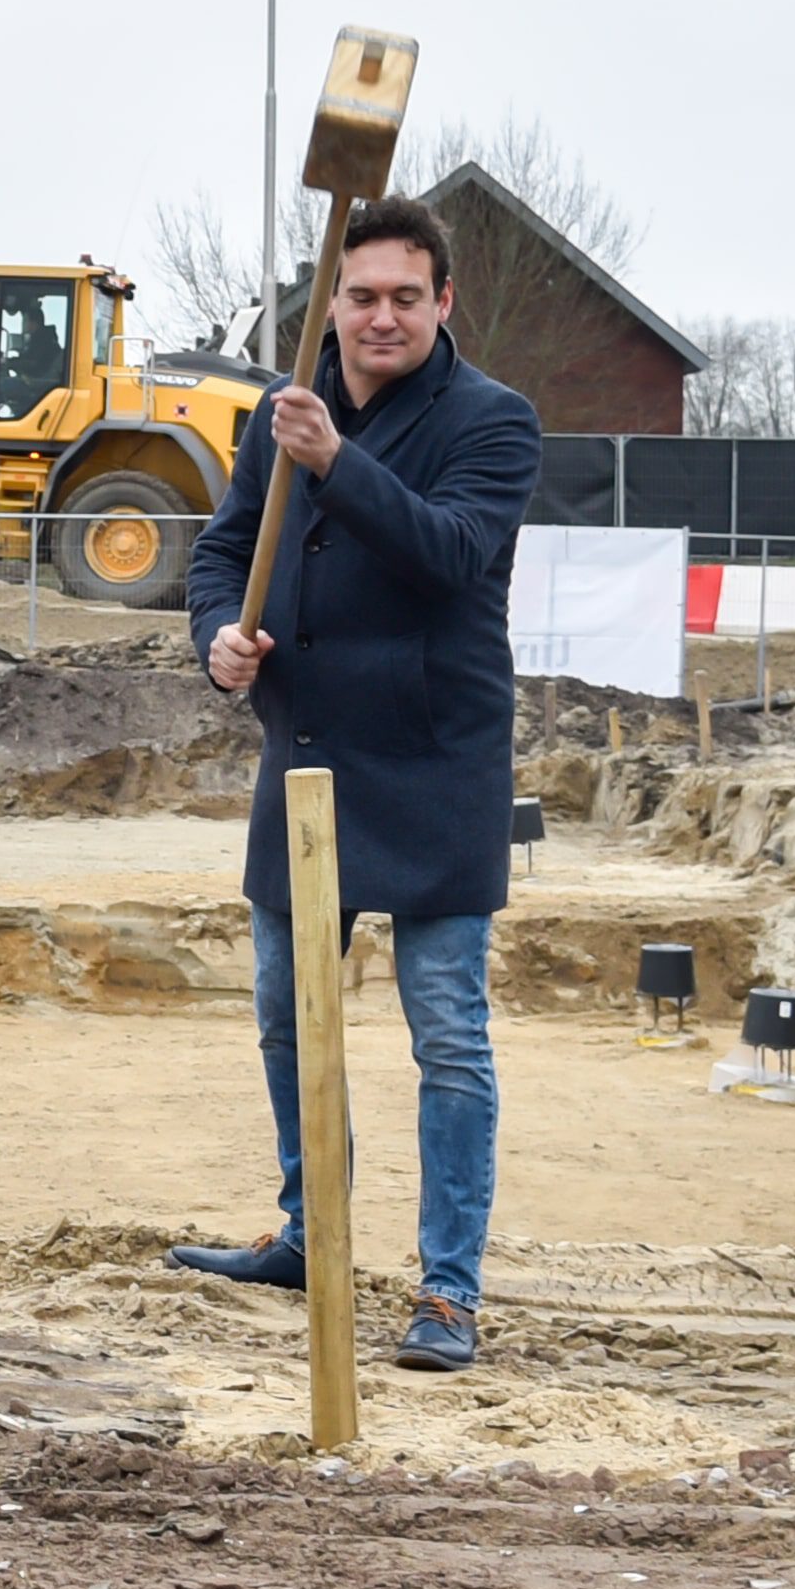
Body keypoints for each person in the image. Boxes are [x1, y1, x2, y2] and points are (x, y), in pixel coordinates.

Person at [165, 196, 543, 1373]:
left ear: (442, 304)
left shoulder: (494, 421)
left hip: (435, 766)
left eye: (405, 298)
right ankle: (306, 1228)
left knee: (448, 1037)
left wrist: (333, 462)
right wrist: (219, 633)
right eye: (362, 296)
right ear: (332, 302)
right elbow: (226, 548)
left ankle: (448, 1291)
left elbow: (451, 553)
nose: (382, 317)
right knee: (288, 1016)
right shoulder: (278, 418)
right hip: (309, 759)